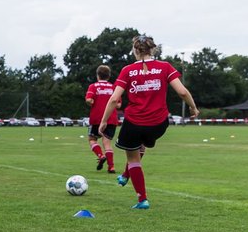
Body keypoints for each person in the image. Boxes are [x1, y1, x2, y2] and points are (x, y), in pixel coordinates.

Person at [98, 34, 199, 210]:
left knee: (133, 156)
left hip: (135, 123)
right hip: (159, 124)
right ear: (153, 49)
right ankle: (125, 174)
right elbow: (182, 92)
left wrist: (104, 120)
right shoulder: (165, 67)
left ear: (135, 50)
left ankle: (142, 199)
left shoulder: (128, 70)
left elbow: (114, 99)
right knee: (141, 144)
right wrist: (193, 108)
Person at [85, 65, 118, 174]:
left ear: (98, 75)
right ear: (108, 76)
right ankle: (111, 167)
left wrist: (93, 102)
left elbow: (89, 100)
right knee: (107, 143)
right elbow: (118, 105)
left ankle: (100, 155)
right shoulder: (113, 87)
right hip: (111, 118)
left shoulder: (93, 86)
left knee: (92, 139)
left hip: (97, 118)